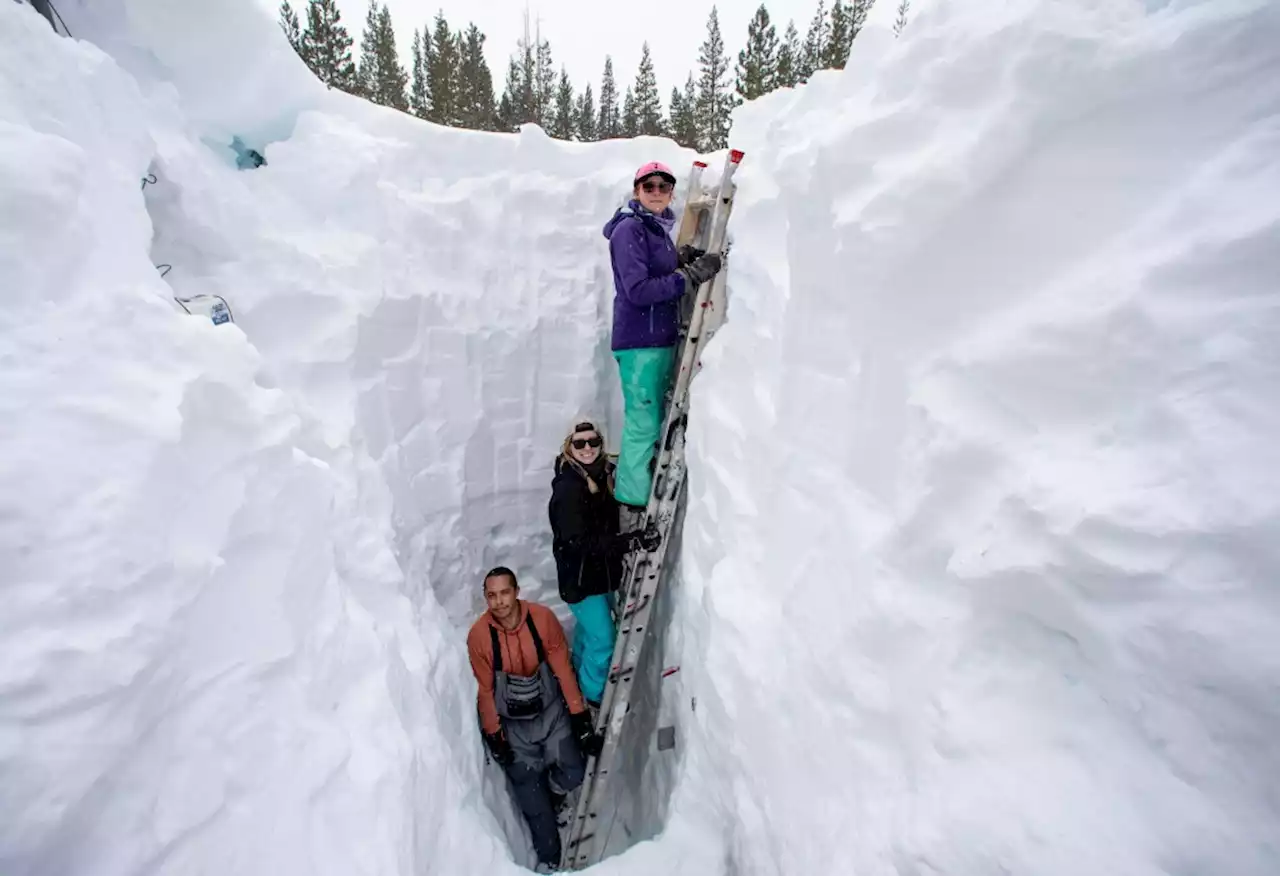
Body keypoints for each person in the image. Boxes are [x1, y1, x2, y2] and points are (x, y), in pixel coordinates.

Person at [602, 161, 723, 511]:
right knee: (643, 422)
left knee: (649, 419)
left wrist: (678, 260)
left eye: (664, 186)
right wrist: (687, 277)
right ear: (637, 190)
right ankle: (632, 501)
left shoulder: (653, 229)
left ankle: (636, 489)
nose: (657, 192)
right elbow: (637, 289)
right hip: (640, 342)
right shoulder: (630, 229)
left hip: (656, 338)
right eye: (649, 186)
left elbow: (651, 269)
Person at [467, 566, 603, 871]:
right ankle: (549, 860)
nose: (499, 601)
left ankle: (555, 792)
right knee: (532, 800)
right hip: (513, 724)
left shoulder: (542, 620)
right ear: (486, 599)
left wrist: (579, 717)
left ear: (516, 592)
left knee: (575, 770)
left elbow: (563, 670)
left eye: (504, 593)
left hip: (551, 711)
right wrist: (494, 735)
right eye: (492, 596)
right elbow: (486, 690)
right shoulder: (479, 636)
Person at [548, 420, 661, 707]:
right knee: (604, 640)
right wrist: (630, 541)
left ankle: (577, 677)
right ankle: (594, 697)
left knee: (589, 633)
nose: (587, 448)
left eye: (593, 442)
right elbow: (578, 544)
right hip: (582, 582)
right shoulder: (568, 489)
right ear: (568, 447)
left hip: (600, 576)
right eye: (579, 443)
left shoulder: (602, 473)